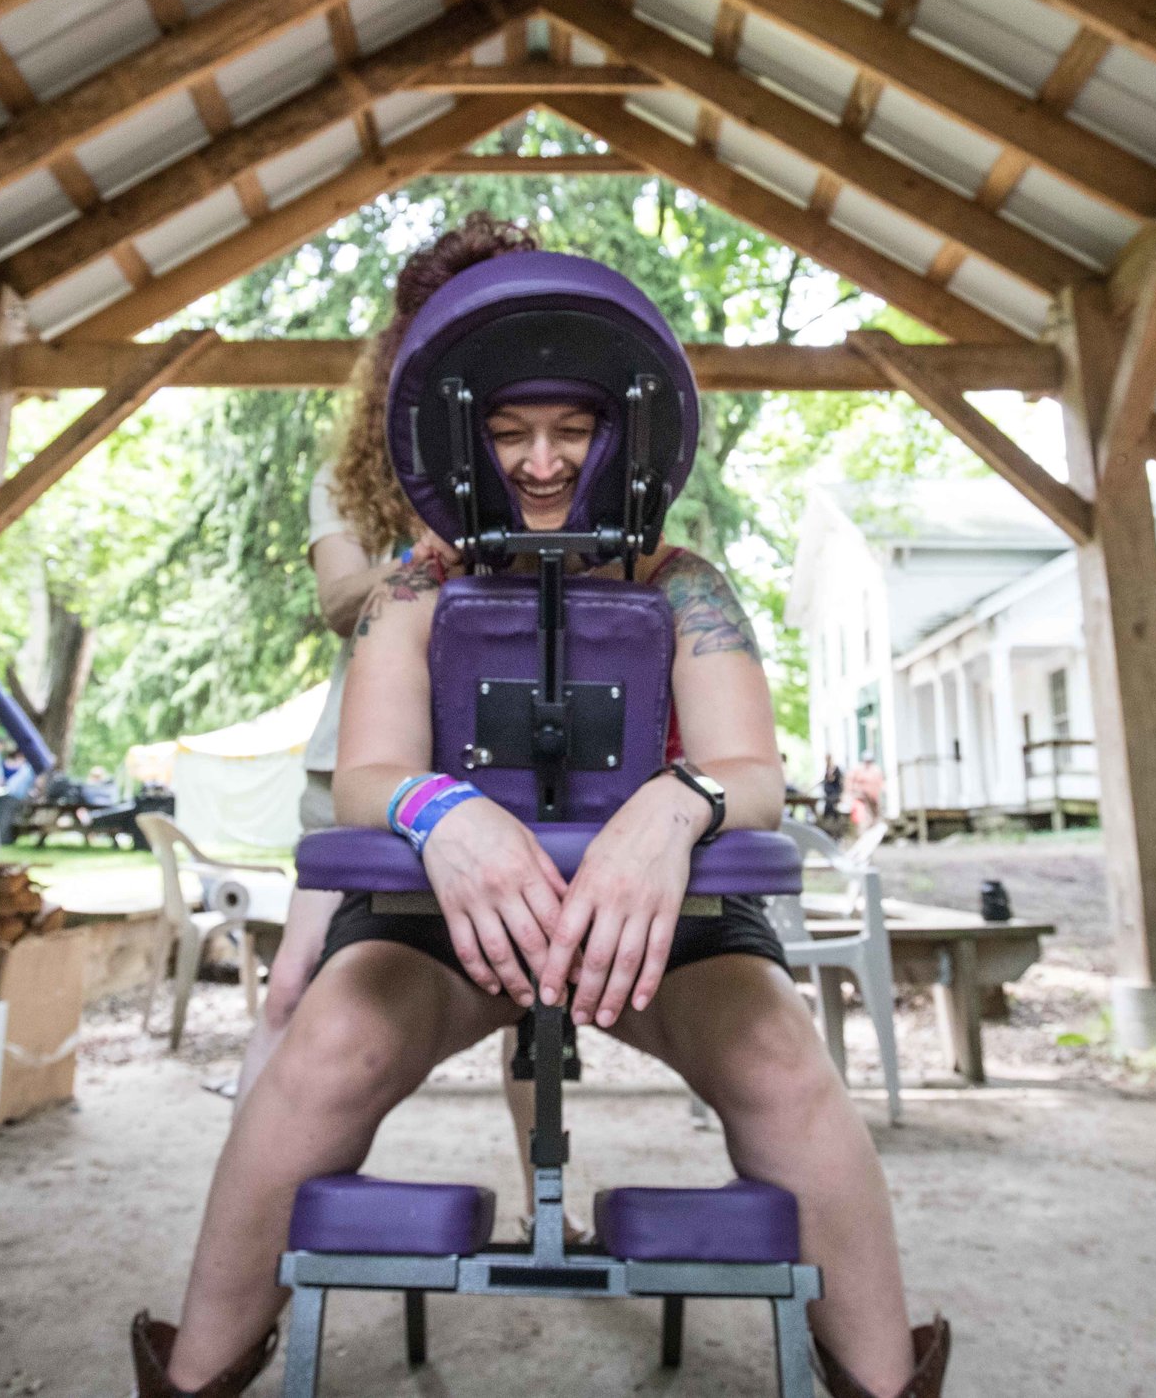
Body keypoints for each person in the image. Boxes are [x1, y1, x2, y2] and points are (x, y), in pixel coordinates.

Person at [129, 227, 946, 1398]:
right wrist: (442, 811)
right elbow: (364, 777)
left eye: (571, 429)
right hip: (442, 912)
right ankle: (194, 1376)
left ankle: (882, 1382)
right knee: (320, 1050)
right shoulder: (412, 585)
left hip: (656, 922)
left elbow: (750, 769)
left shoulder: (684, 583)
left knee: (783, 1060)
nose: (543, 461)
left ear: (625, 430)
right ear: (467, 435)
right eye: (510, 433)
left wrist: (671, 810)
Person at [230, 217, 555, 1233]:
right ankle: (251, 1228)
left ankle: (546, 1207)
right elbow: (339, 602)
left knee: (530, 1001)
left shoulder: (545, 449)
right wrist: (433, 549)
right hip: (363, 771)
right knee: (294, 993)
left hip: (511, 761)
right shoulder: (357, 476)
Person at [821, 753, 845, 823]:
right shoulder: (827, 768)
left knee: (832, 808)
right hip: (828, 794)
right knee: (828, 808)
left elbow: (837, 780)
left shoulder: (836, 768)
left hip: (835, 793)